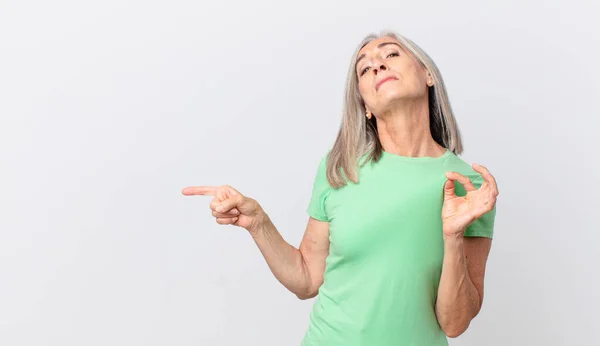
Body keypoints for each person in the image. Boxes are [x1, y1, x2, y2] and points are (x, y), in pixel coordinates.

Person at [182, 31, 499, 346]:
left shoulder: (468, 186)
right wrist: (257, 222)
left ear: (427, 74)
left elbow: (455, 323)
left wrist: (453, 237)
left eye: (391, 54)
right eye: (364, 68)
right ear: (365, 106)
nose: (377, 66)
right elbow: (306, 279)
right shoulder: (339, 169)